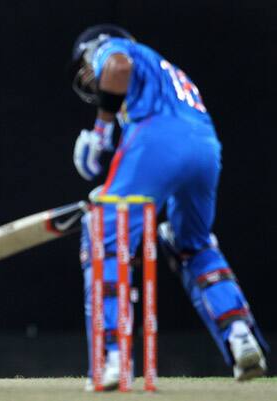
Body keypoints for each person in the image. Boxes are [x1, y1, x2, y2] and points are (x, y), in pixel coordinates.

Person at [70, 24, 269, 390]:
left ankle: (111, 358)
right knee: (191, 242)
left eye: (84, 65)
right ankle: (240, 335)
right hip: (206, 146)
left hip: (157, 137)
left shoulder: (112, 49)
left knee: (104, 235)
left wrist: (100, 131)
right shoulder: (165, 70)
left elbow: (115, 66)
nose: (86, 75)